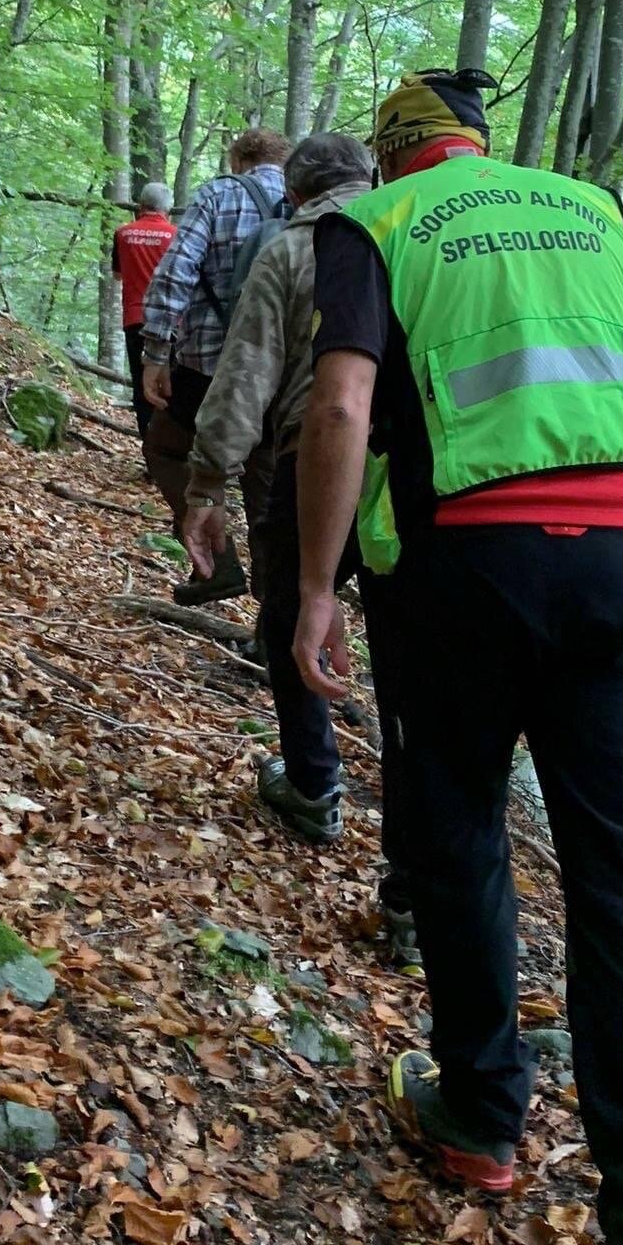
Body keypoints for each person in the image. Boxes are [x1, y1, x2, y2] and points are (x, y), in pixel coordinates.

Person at [292, 68, 623, 1245]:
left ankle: (480, 1118)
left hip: (462, 566)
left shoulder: (376, 228)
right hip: (615, 563)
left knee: (461, 826)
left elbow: (343, 405)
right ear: (479, 143)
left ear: (394, 155)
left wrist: (315, 587)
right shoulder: (591, 209)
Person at [182, 133, 419, 973]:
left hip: (301, 457)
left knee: (288, 619)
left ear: (298, 192)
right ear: (369, 179)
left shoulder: (289, 248)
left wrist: (205, 484)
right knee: (408, 666)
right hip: (409, 476)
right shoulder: (414, 231)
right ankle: (413, 882)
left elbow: (247, 370)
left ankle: (316, 785)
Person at [141, 129, 290, 606]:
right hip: (278, 374)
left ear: (239, 158)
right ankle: (275, 630)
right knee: (266, 493)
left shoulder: (218, 194)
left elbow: (175, 273)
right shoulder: (308, 202)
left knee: (167, 447)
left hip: (208, 367)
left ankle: (216, 562)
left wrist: (155, 354)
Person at [112, 183, 176, 438]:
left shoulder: (122, 233)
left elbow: (117, 274)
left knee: (142, 384)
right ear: (167, 210)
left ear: (140, 207)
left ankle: (149, 449)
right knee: (171, 384)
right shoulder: (176, 235)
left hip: (135, 318)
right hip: (171, 321)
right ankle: (170, 449)